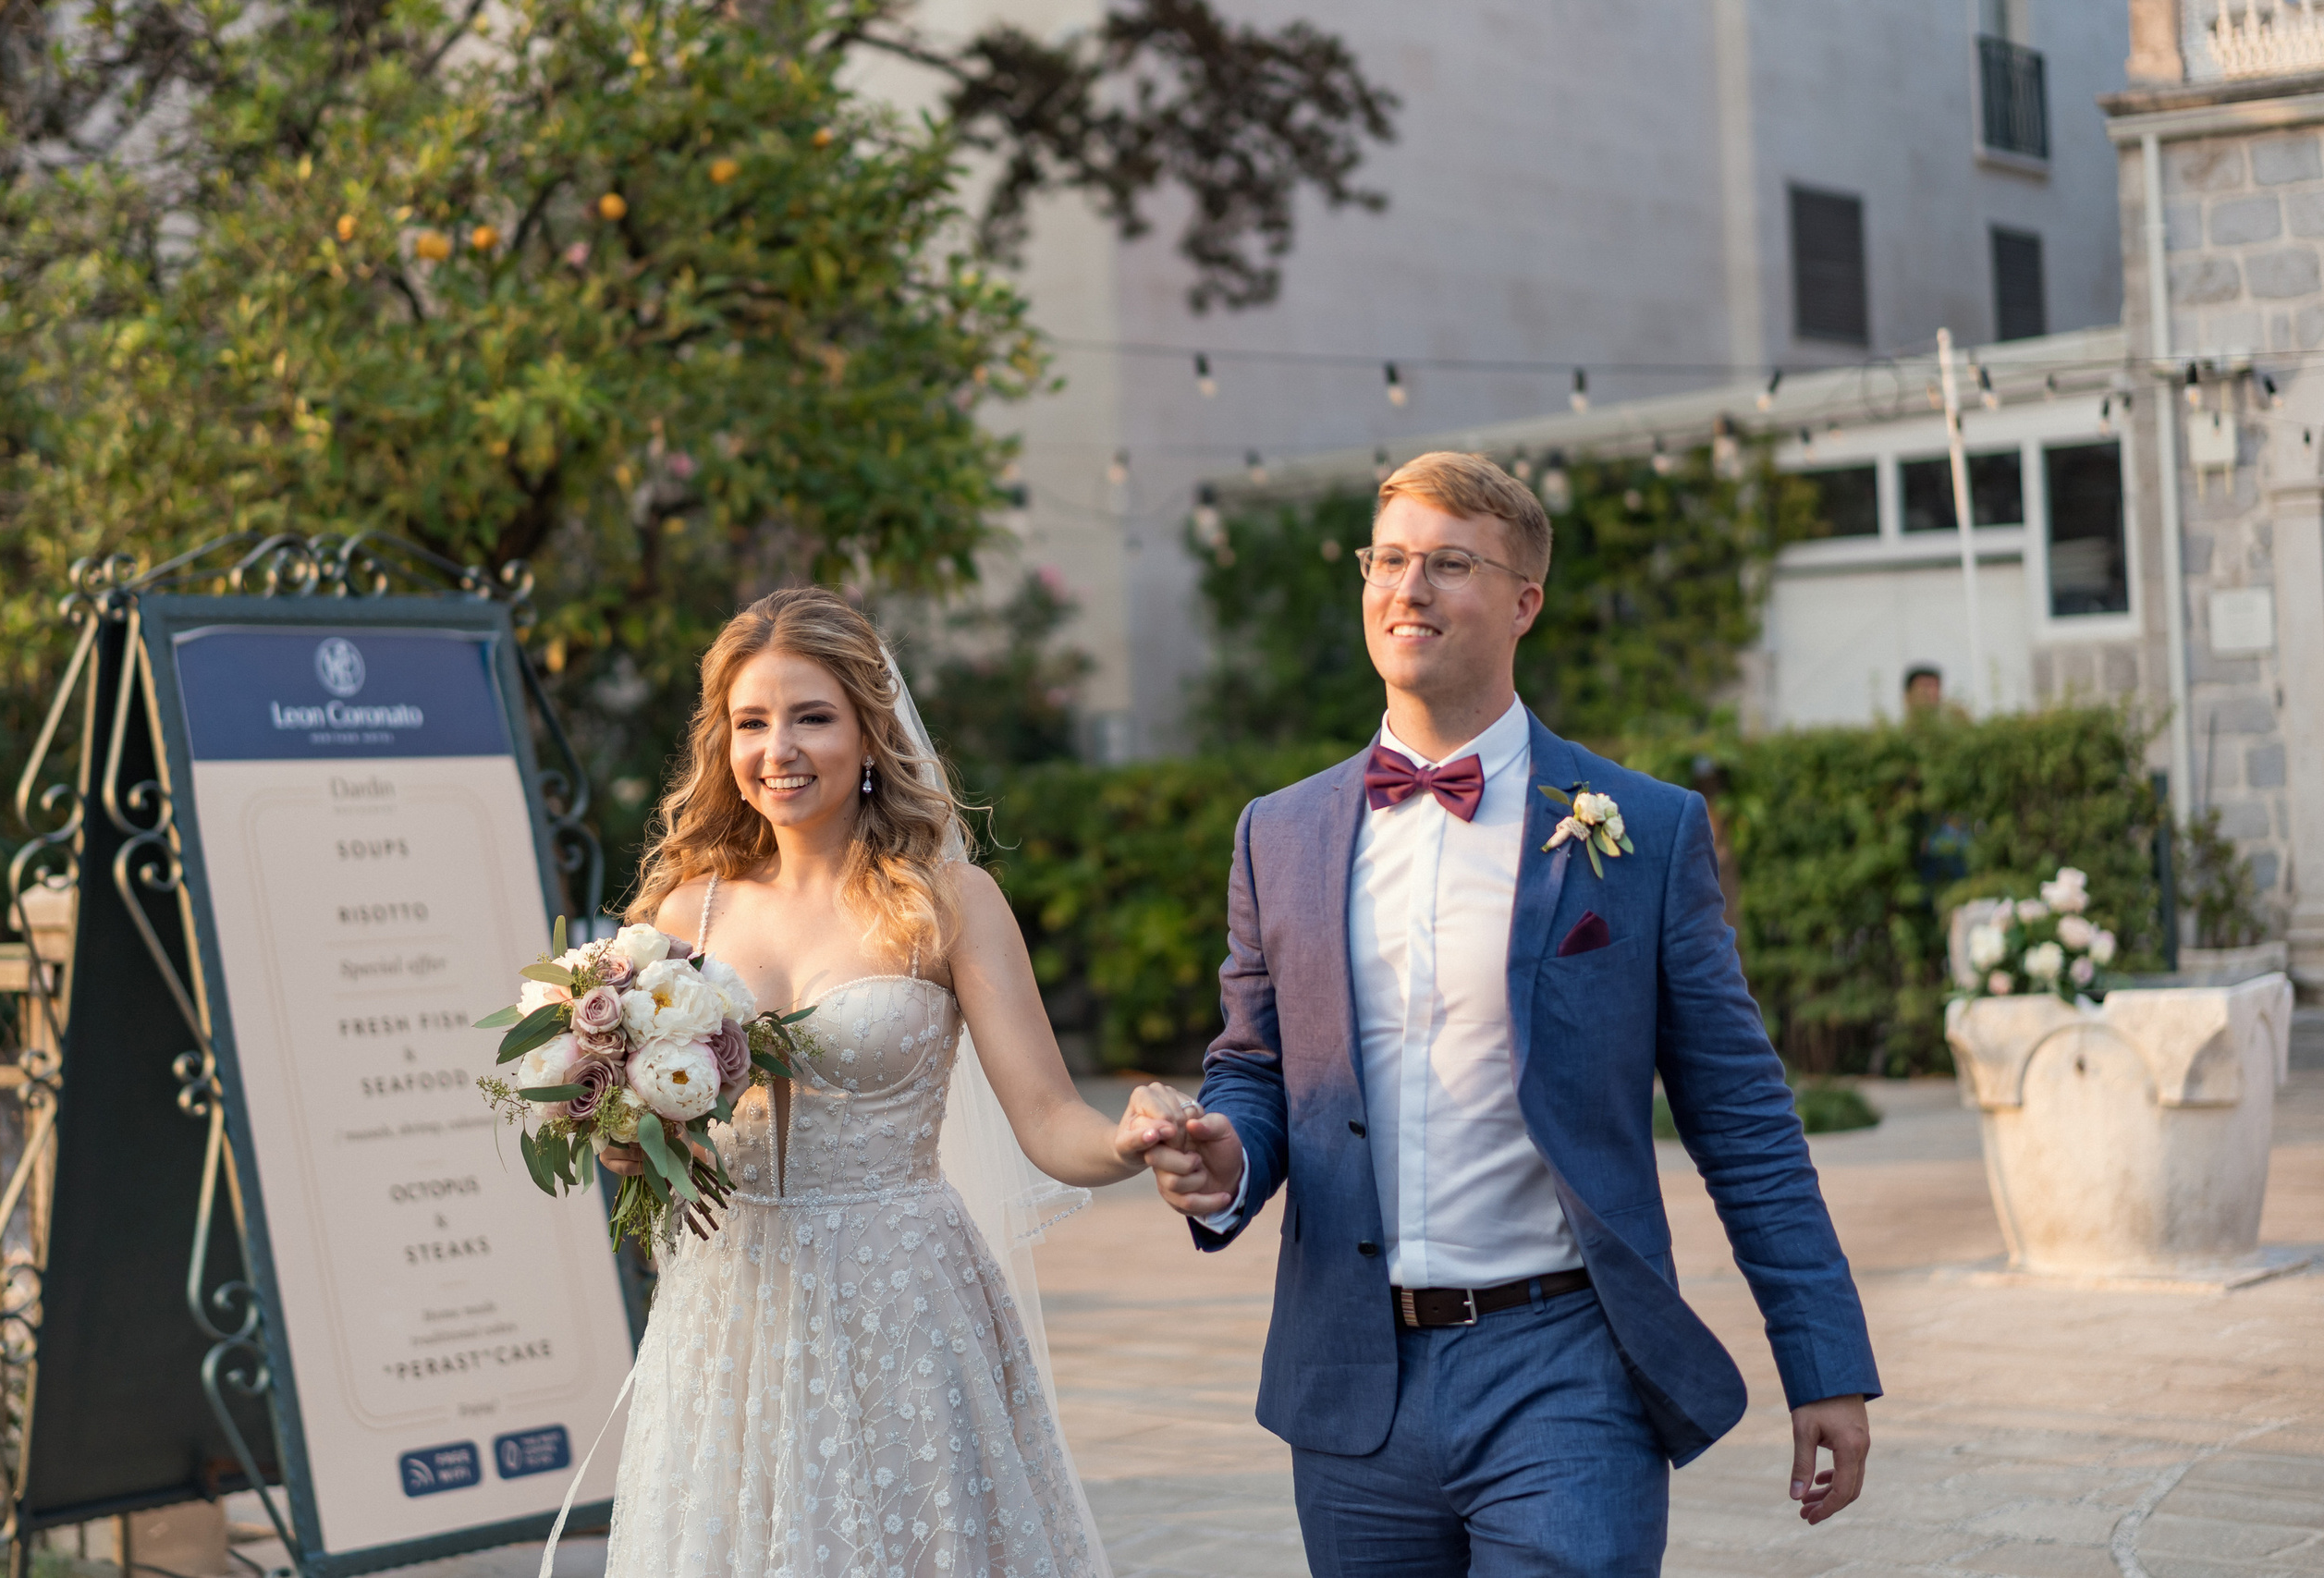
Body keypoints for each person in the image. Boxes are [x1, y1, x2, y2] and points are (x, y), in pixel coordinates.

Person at [1142, 451, 1879, 1575]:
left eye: (1449, 564)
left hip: (1568, 1370)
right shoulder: (1275, 834)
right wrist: (1226, 1155)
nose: (1408, 589)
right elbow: (1257, 1066)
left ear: (1525, 601)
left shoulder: (1642, 829)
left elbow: (1742, 1117)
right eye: (1388, 560)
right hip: (1351, 1383)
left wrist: (1820, 1359)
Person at [593, 586, 1189, 1578]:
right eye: (752, 723)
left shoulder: (947, 903)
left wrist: (1127, 1140)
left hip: (902, 1303)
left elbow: (1048, 1120)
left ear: (870, 733)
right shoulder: (677, 912)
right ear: (722, 744)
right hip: (727, 1309)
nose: (778, 749)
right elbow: (648, 1132)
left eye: (812, 717)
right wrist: (625, 1134)